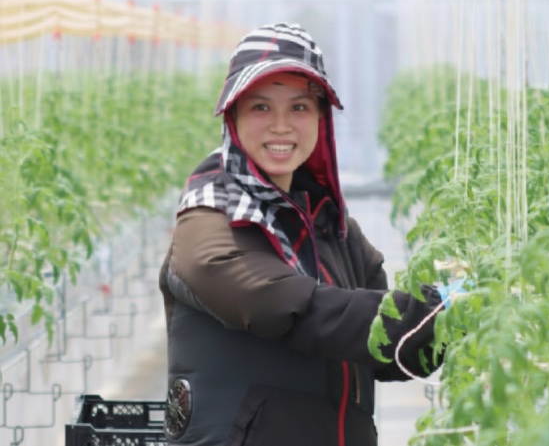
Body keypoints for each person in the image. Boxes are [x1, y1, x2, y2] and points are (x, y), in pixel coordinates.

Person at [158, 22, 446, 445]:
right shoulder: (208, 217)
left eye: (298, 108)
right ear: (233, 116)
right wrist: (443, 307)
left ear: (320, 118)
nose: (281, 125)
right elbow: (280, 305)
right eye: (260, 107)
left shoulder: (331, 223)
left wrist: (463, 318)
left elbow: (388, 354)